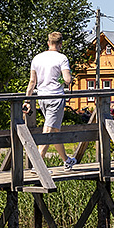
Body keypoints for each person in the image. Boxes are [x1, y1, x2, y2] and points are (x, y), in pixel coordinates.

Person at [24, 31, 76, 168]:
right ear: (60, 44)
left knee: (54, 129)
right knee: (48, 130)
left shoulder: (37, 58)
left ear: (48, 43)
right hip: (56, 98)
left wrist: (27, 101)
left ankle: (66, 160)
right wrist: (69, 77)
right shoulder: (62, 58)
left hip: (42, 98)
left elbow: (32, 82)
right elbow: (67, 79)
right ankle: (38, 165)